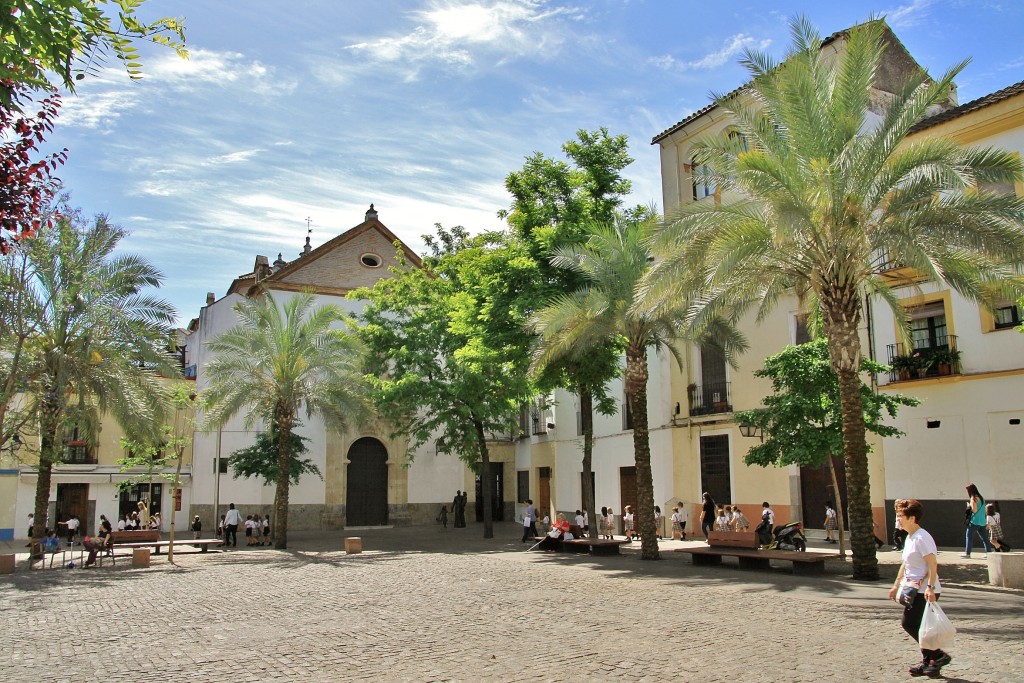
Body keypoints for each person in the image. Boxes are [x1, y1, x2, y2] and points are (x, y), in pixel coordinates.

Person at [888, 498, 952, 677]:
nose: (898, 519)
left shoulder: (922, 537)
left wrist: (931, 587)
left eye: (901, 516)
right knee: (921, 627)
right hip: (913, 588)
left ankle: (937, 655)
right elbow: (905, 564)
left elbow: (932, 564)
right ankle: (930, 662)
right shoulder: (909, 537)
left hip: (925, 590)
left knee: (909, 623)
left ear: (912, 518)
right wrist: (895, 585)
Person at [962, 483, 993, 558]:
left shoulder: (973, 498)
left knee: (969, 537)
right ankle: (988, 553)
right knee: (985, 538)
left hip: (974, 521)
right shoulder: (981, 497)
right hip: (982, 521)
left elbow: (974, 510)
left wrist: (969, 506)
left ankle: (967, 553)